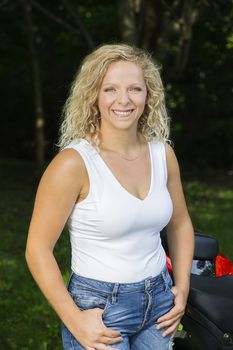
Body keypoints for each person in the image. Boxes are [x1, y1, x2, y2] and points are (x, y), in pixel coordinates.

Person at [25, 43, 195, 350]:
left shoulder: (162, 154)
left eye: (135, 89)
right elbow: (37, 249)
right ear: (94, 95)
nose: (124, 100)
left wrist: (181, 286)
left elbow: (180, 224)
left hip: (160, 302)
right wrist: (75, 320)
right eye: (110, 89)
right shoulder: (74, 163)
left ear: (149, 95)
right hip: (99, 309)